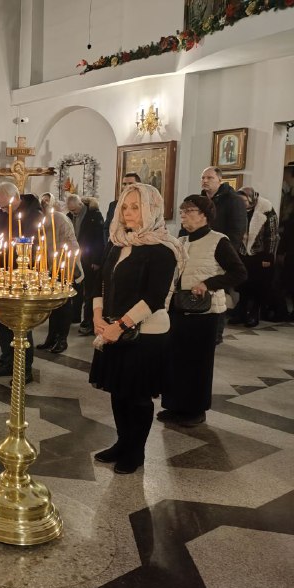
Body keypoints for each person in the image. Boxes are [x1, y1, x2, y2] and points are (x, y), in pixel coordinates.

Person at [89, 183, 182, 474]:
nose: (128, 213)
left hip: (148, 333)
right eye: (125, 207)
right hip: (113, 328)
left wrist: (120, 325)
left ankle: (136, 451)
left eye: (135, 207)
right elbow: (101, 282)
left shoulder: (163, 249)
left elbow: (154, 298)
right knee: (118, 390)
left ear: (151, 209)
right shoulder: (116, 242)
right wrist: (97, 316)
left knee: (138, 395)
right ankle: (122, 442)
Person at [159, 195, 246, 427]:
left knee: (197, 363)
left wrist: (208, 284)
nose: (184, 214)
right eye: (182, 209)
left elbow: (239, 272)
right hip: (178, 307)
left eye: (190, 210)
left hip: (204, 313)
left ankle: (195, 410)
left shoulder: (219, 241)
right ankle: (175, 405)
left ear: (205, 214)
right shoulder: (183, 240)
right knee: (176, 359)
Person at [0, 183, 43, 381]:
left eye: (3, 206)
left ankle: (24, 368)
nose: (1, 210)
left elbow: (31, 244)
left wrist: (5, 242)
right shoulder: (4, 212)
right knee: (1, 318)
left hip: (23, 274)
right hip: (3, 271)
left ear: (14, 198)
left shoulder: (34, 215)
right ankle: (7, 360)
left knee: (21, 322)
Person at [199, 166, 247, 343]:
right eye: (203, 178)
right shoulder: (201, 199)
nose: (205, 181)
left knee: (218, 293)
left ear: (220, 180)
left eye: (209, 178)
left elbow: (237, 229)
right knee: (202, 290)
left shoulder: (233, 200)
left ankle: (216, 334)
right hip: (202, 253)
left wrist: (227, 254)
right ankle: (202, 329)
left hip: (222, 253)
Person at [36, 192, 80, 354]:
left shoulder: (60, 219)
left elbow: (73, 244)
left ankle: (62, 339)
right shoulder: (41, 221)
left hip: (63, 268)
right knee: (53, 306)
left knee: (64, 305)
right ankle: (51, 337)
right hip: (48, 268)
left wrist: (65, 266)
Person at [232, 187, 279, 328]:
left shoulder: (266, 210)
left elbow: (272, 235)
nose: (242, 203)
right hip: (241, 252)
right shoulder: (237, 210)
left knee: (258, 285)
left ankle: (254, 313)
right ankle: (241, 312)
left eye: (244, 200)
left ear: (252, 198)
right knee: (242, 283)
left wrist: (268, 256)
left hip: (260, 253)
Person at [67, 194, 105, 335]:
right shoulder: (70, 216)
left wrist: (96, 260)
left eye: (75, 210)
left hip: (90, 259)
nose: (73, 213)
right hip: (76, 258)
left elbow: (99, 239)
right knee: (75, 287)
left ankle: (88, 321)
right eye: (70, 211)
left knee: (89, 291)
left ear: (81, 205)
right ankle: (75, 316)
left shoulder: (94, 215)